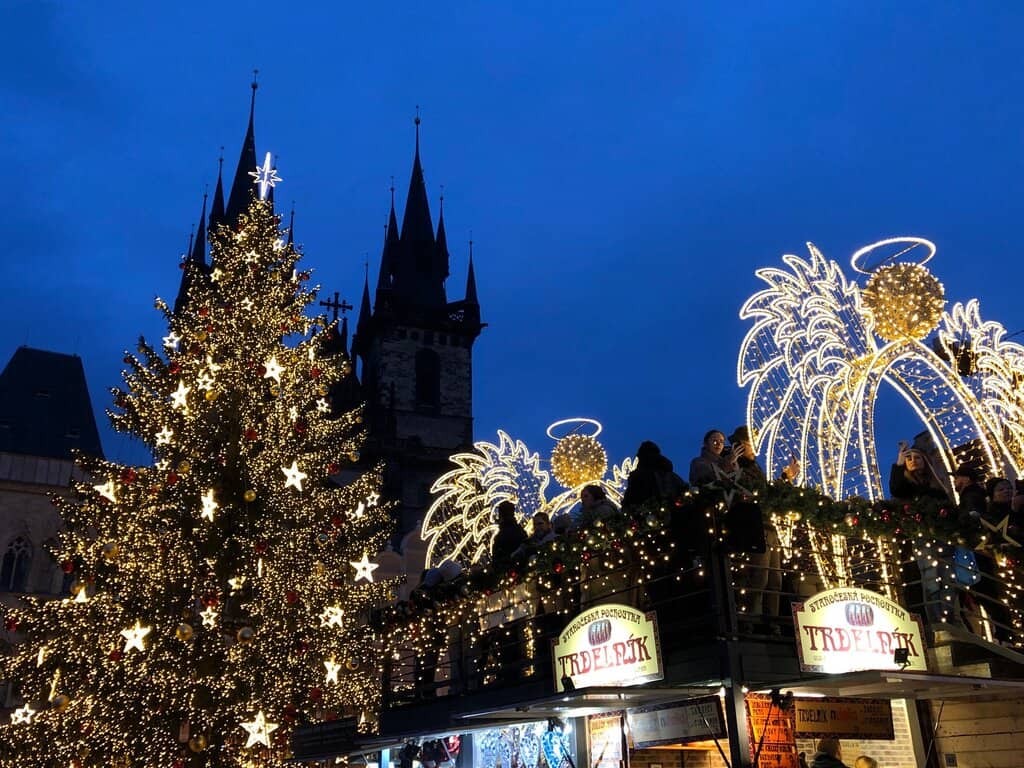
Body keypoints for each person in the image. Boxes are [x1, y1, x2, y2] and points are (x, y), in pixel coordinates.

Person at [622, 440, 687, 508]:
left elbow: (630, 498)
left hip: (650, 510)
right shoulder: (669, 474)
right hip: (656, 510)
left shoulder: (641, 475)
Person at [490, 500, 527, 572]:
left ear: (501, 516)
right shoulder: (520, 530)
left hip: (508, 571)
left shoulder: (501, 535)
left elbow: (496, 559)